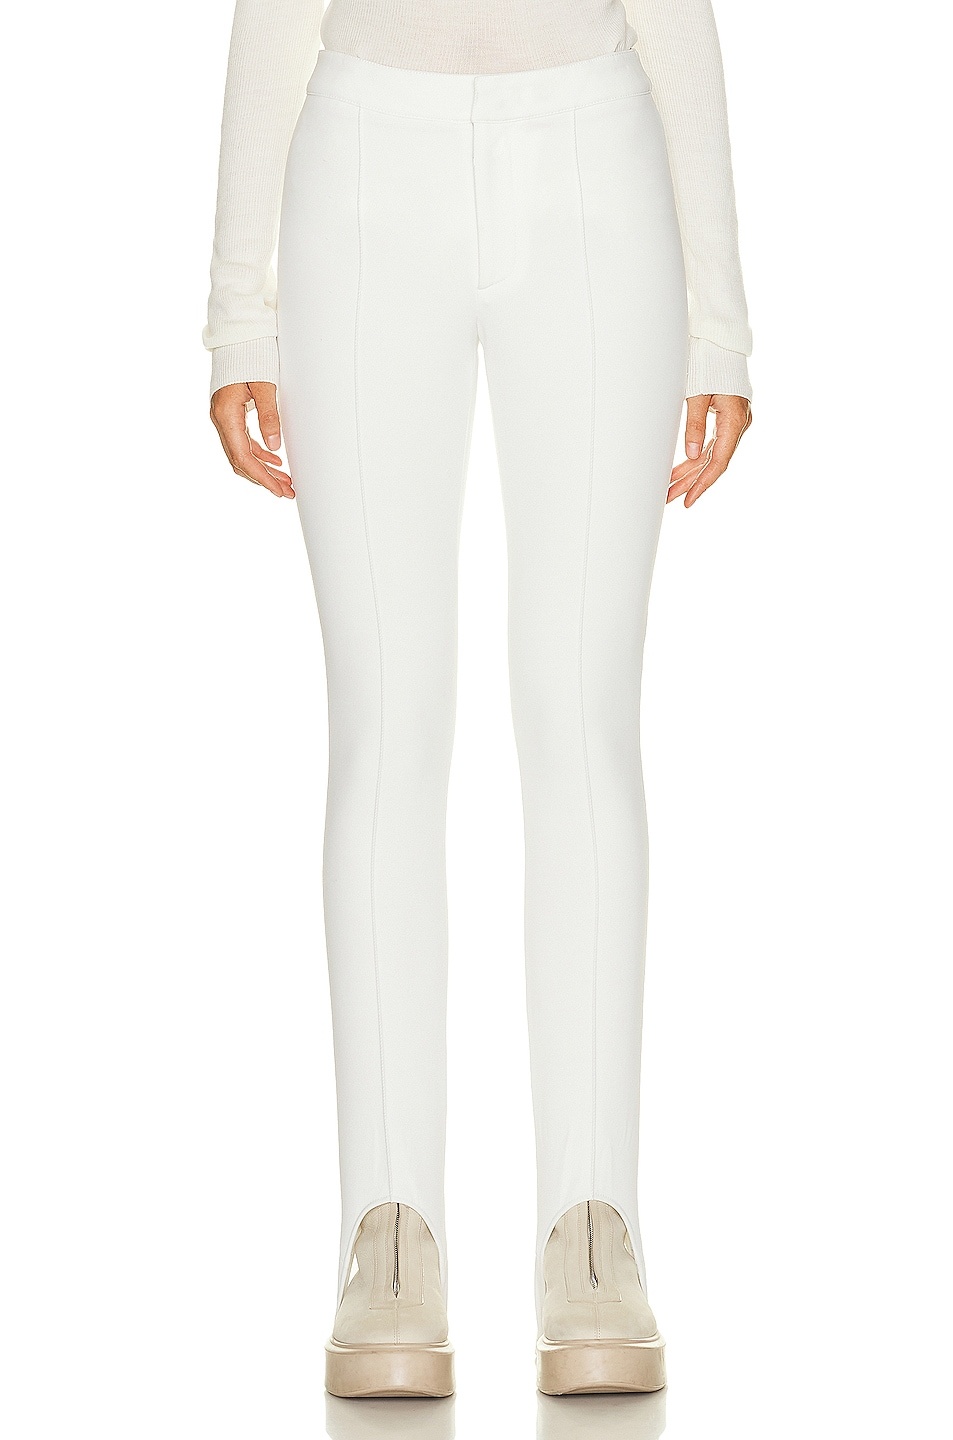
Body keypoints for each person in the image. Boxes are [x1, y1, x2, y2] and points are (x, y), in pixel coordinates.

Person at [203, 0, 753, 1401]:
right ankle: (389, 1238)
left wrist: (719, 324)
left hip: (593, 165)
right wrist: (236, 307)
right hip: (361, 167)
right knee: (384, 731)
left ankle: (594, 1232)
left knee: (583, 719)